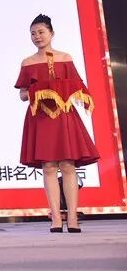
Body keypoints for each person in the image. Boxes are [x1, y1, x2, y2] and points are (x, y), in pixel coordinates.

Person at [15, 14, 99, 233]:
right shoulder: (28, 62)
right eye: (33, 33)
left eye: (41, 32)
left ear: (51, 33)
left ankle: (72, 217)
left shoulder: (65, 58)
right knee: (49, 167)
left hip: (63, 116)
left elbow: (79, 86)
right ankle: (55, 218)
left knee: (68, 165)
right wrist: (37, 90)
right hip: (41, 117)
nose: (37, 36)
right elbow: (22, 94)